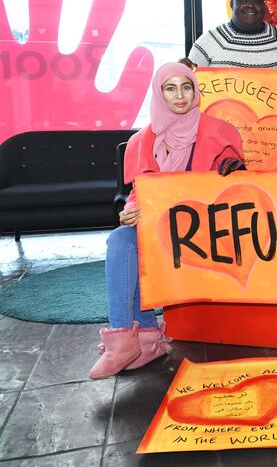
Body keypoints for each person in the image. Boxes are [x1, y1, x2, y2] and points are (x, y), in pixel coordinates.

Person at [89, 62, 245, 380]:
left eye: (186, 86)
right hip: (158, 226)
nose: (180, 95)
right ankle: (133, 338)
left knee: (135, 246)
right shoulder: (140, 141)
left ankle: (140, 338)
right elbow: (138, 193)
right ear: (159, 94)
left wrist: (233, 167)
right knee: (122, 239)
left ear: (195, 90)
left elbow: (237, 183)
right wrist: (129, 211)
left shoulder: (219, 133)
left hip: (203, 229)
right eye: (170, 88)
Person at [185, 0, 277, 69]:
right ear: (232, 4)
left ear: (264, 7)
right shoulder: (209, 41)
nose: (250, 5)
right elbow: (188, 82)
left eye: (256, 1)